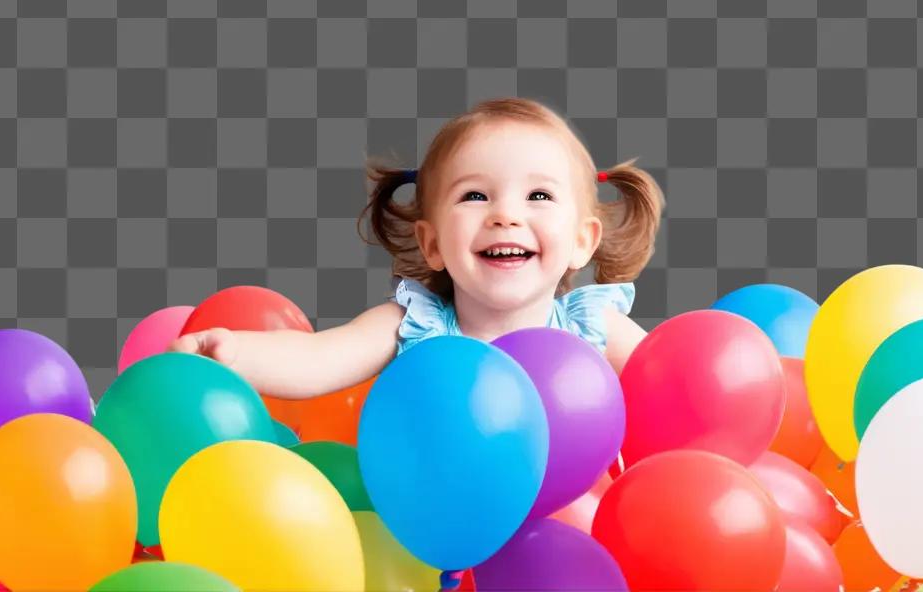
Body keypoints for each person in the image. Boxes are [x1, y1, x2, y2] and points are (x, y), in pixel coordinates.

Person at [170, 97, 666, 399]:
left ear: (583, 242)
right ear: (432, 244)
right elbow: (319, 358)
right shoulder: (412, 324)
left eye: (538, 196)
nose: (505, 215)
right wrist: (232, 354)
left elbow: (673, 387)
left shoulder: (595, 329)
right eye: (475, 196)